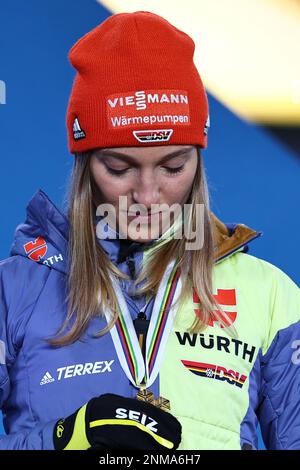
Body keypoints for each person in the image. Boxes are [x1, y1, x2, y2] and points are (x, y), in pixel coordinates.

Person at [0, 11, 299, 451]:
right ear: (85, 167)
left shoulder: (271, 297)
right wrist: (62, 439)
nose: (148, 194)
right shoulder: (13, 290)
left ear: (198, 162)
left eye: (173, 167)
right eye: (119, 168)